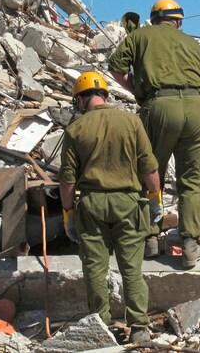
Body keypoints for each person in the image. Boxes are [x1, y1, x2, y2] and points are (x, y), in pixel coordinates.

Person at [108, 0, 200, 268]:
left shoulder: (139, 35)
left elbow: (116, 67)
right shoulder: (192, 43)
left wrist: (138, 90)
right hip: (198, 108)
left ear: (154, 19)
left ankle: (150, 240)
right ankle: (191, 245)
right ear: (179, 22)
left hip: (160, 107)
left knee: (149, 172)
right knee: (193, 181)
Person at [59, 71, 162, 343]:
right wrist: (155, 198)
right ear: (104, 95)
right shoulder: (131, 121)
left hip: (92, 206)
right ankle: (139, 328)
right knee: (132, 270)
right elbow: (149, 166)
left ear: (81, 100)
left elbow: (68, 180)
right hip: (129, 204)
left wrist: (68, 213)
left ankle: (100, 327)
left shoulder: (75, 129)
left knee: (94, 269)